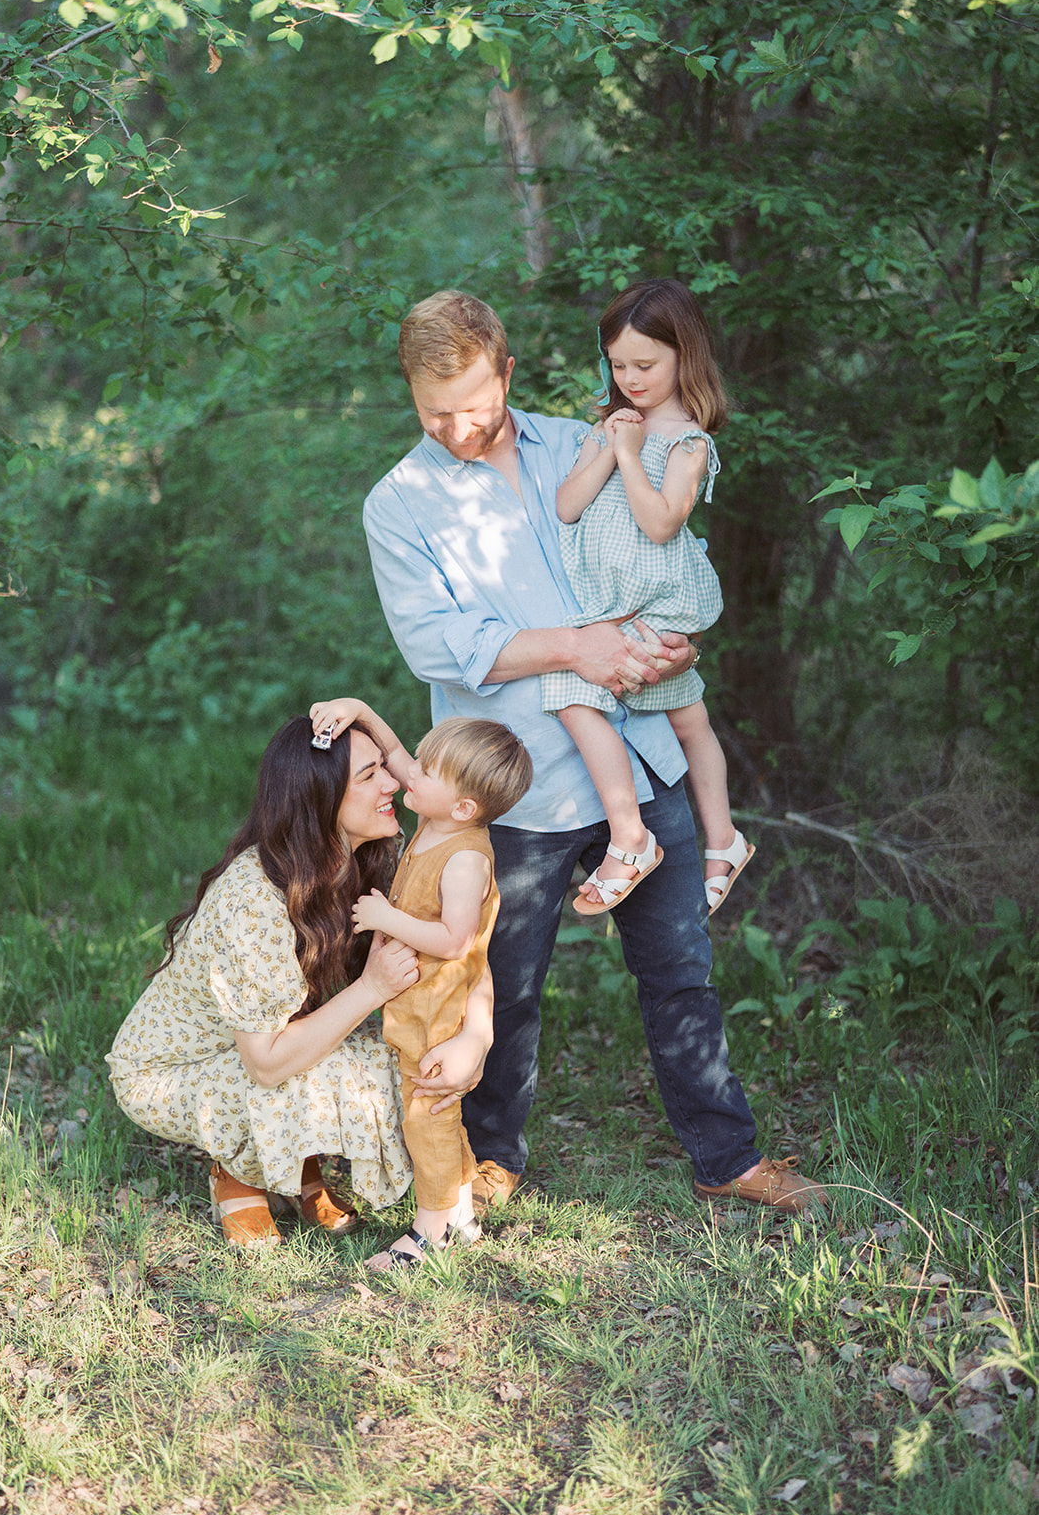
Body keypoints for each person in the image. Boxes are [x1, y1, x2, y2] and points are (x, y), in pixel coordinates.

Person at [362, 288, 827, 1217]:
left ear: (508, 369)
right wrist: (583, 646)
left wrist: (670, 637)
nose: (456, 428)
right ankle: (490, 1159)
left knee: (681, 972)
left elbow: (660, 549)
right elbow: (441, 645)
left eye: (474, 404)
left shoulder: (594, 434)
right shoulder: (399, 502)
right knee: (503, 985)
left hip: (640, 749)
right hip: (513, 782)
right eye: (433, 412)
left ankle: (726, 1156)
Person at [106, 716, 489, 1247]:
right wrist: (372, 989)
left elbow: (461, 943)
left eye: (387, 769)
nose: (393, 785)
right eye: (370, 775)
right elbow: (264, 1063)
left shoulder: (382, 852)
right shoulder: (255, 899)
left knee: (399, 1056)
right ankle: (241, 1170)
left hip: (275, 1038)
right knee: (331, 1064)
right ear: (320, 796)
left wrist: (477, 1036)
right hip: (178, 1067)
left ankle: (295, 1161)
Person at [542, 279, 754, 917]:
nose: (630, 378)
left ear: (683, 358)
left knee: (683, 724)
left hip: (657, 608)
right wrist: (610, 445)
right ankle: (678, 837)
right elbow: (567, 505)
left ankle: (697, 839)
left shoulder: (689, 440)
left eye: (646, 365)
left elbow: (661, 523)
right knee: (590, 702)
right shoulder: (607, 426)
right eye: (617, 364)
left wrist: (632, 454)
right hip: (611, 611)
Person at [309, 699, 532, 1267]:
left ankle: (428, 1233)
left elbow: (456, 940)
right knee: (441, 1114)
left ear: (463, 804)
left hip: (438, 1012)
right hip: (418, 1006)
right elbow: (400, 756)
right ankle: (459, 1216)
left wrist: (387, 920)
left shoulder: (465, 860)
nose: (408, 772)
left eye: (426, 771)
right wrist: (360, 710)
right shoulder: (439, 816)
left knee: (424, 1119)